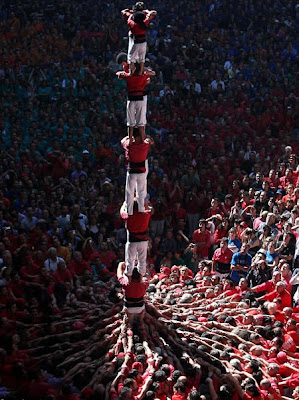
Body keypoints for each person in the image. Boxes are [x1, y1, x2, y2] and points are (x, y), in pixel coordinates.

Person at [117, 63, 155, 140]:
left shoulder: (129, 76)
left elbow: (119, 75)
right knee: (136, 121)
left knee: (134, 121)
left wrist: (123, 73)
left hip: (134, 99)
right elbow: (151, 76)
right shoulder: (142, 76)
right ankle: (137, 137)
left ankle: (134, 138)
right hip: (136, 99)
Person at [121, 128, 154, 215]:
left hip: (132, 171)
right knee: (140, 191)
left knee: (130, 191)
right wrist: (145, 137)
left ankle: (129, 210)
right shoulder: (144, 144)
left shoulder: (128, 145)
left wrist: (129, 137)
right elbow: (152, 141)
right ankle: (141, 209)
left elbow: (122, 140)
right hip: (140, 172)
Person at [121, 4, 157, 75]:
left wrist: (132, 14)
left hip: (135, 41)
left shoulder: (134, 25)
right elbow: (152, 14)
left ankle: (131, 72)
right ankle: (141, 71)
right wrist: (146, 13)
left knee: (131, 57)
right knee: (142, 58)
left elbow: (127, 17)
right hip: (143, 42)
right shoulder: (145, 22)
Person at [121, 200, 152, 278]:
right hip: (143, 241)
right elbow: (150, 210)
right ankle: (141, 278)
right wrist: (145, 202)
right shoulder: (145, 215)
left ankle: (129, 278)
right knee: (142, 261)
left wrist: (124, 204)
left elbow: (122, 212)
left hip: (132, 241)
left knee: (130, 261)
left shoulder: (129, 216)